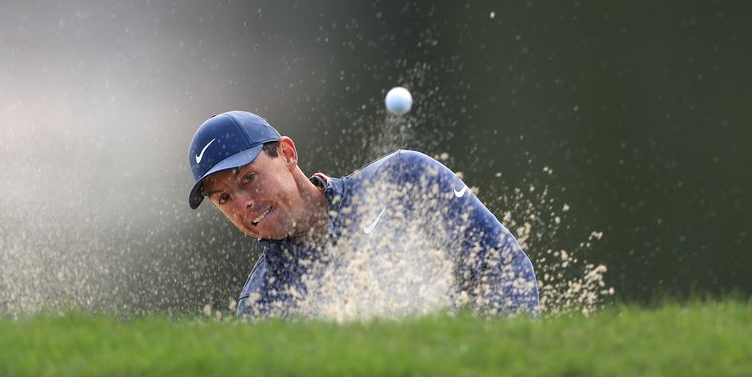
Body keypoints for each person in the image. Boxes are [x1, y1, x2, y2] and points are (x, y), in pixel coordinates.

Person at [188, 111, 539, 318]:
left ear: (287, 154)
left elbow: (503, 268)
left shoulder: (403, 178)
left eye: (249, 178)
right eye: (224, 198)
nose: (243, 203)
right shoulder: (262, 303)